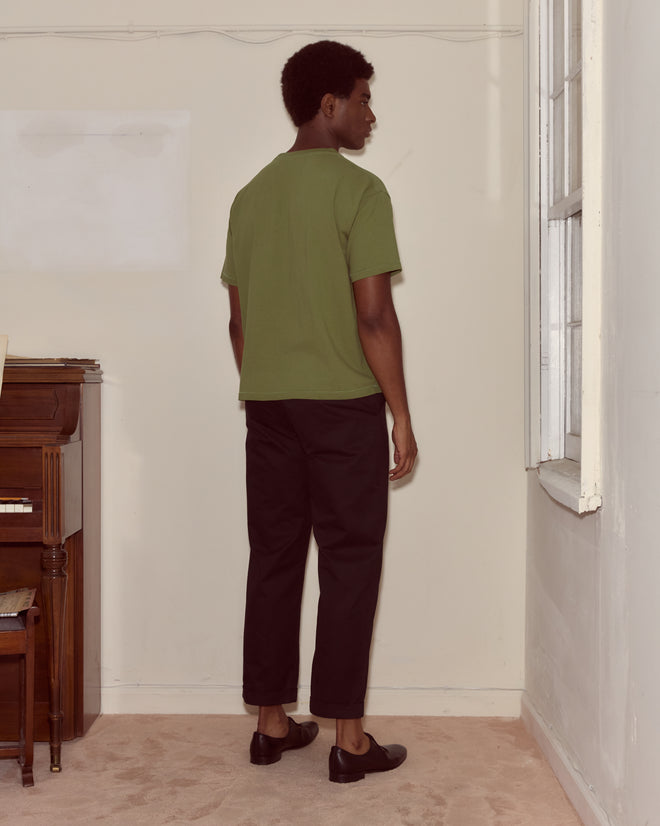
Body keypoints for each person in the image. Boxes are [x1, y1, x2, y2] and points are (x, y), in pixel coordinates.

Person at [221, 40, 417, 784]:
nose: (371, 113)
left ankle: (271, 727)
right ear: (328, 105)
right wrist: (401, 414)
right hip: (342, 413)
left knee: (272, 558)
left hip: (267, 408)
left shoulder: (248, 196)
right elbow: (375, 320)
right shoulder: (360, 193)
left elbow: (239, 324)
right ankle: (348, 740)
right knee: (350, 563)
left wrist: (273, 384)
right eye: (363, 97)